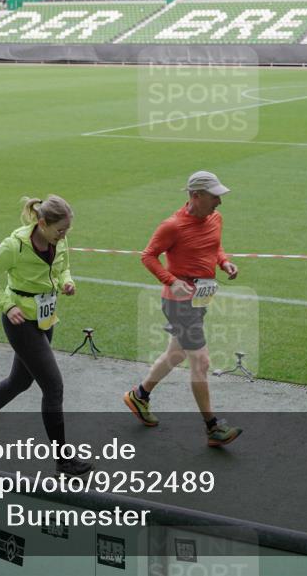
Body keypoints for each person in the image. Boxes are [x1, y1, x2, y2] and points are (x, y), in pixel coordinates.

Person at [0, 195, 91, 476]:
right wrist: (7, 306)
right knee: (53, 387)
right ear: (42, 223)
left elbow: (63, 267)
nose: (63, 235)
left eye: (67, 230)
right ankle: (63, 460)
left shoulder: (59, 240)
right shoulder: (14, 245)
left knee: (19, 382)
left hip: (45, 318)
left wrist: (67, 282)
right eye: (60, 230)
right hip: (20, 322)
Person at [124, 171, 242, 447]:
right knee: (201, 361)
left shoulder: (215, 218)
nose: (219, 202)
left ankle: (139, 395)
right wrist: (171, 280)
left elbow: (215, 246)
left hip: (200, 298)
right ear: (195, 196)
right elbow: (148, 256)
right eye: (214, 197)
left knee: (176, 354)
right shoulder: (172, 226)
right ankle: (212, 427)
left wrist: (224, 262)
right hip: (179, 303)